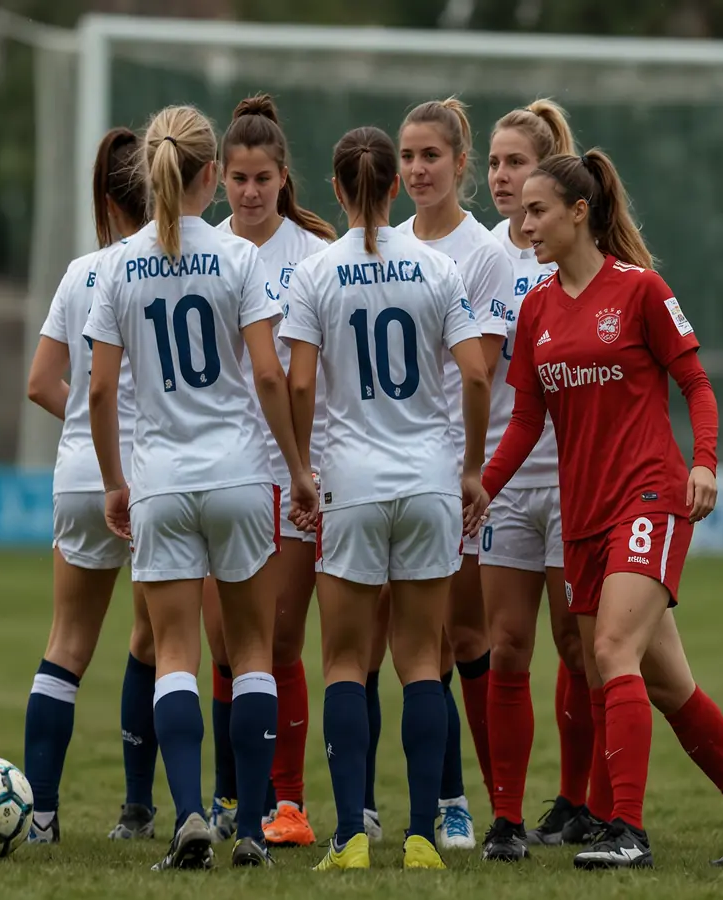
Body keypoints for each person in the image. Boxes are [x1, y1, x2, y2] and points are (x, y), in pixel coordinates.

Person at [473, 150, 723, 869]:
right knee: (664, 683)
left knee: (611, 652)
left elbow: (697, 384)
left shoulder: (641, 289)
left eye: (537, 211)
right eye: (522, 213)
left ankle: (626, 831)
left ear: (579, 212)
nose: (525, 224)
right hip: (584, 513)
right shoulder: (535, 308)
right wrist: (481, 488)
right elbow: (525, 422)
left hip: (648, 494)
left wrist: (704, 461)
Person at [84, 103, 315, 871]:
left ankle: (189, 817)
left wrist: (114, 482)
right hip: (241, 475)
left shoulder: (118, 265)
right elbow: (269, 375)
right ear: (212, 174)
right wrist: (298, 467)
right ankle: (250, 826)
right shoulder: (240, 258)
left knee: (175, 654)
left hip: (160, 479)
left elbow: (99, 390)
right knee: (252, 652)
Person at [279, 124, 490, 871]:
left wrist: (302, 469)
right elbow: (476, 374)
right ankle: (425, 837)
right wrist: (470, 467)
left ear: (337, 189)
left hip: (353, 483)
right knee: (423, 660)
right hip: (429, 480)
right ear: (394, 187)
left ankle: (350, 838)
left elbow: (299, 383)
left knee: (344, 660)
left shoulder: (316, 273)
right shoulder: (438, 268)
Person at [203, 93, 335, 849]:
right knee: (224, 649)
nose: (250, 192)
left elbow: (322, 374)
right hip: (221, 471)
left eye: (263, 179)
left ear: (284, 177)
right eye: (238, 178)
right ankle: (232, 797)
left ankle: (288, 802)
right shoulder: (205, 250)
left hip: (293, 475)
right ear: (220, 178)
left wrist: (309, 465)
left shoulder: (314, 256)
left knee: (279, 643)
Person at [22, 126, 158, 844]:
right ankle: (137, 809)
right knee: (157, 642)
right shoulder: (168, 265)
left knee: (67, 643)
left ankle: (40, 817)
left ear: (106, 198)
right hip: (156, 472)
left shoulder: (80, 273)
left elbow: (40, 383)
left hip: (81, 470)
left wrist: (86, 417)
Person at [480, 99, 598, 862]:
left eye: (516, 163)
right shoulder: (486, 251)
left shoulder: (578, 249)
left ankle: (580, 802)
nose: (501, 177)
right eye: (493, 163)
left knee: (578, 645)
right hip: (508, 474)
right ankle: (505, 817)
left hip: (576, 477)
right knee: (506, 647)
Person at [395, 96, 510, 850]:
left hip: (457, 466)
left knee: (463, 635)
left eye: (431, 156)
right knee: (410, 644)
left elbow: (481, 371)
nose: (417, 170)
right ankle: (441, 800)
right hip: (392, 469)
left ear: (459, 163)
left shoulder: (484, 253)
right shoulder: (384, 244)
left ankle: (493, 806)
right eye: (407, 156)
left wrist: (465, 467)